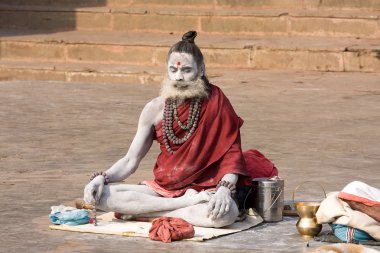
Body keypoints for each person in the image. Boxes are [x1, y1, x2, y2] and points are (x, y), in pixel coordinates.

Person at [84, 31, 278, 228]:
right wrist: (102, 177)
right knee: (99, 196)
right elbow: (129, 160)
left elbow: (232, 157)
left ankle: (144, 212)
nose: (179, 77)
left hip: (206, 189)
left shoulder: (217, 102)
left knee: (225, 214)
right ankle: (179, 206)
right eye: (173, 70)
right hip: (166, 190)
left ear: (201, 70)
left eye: (186, 70)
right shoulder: (154, 109)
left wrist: (224, 191)